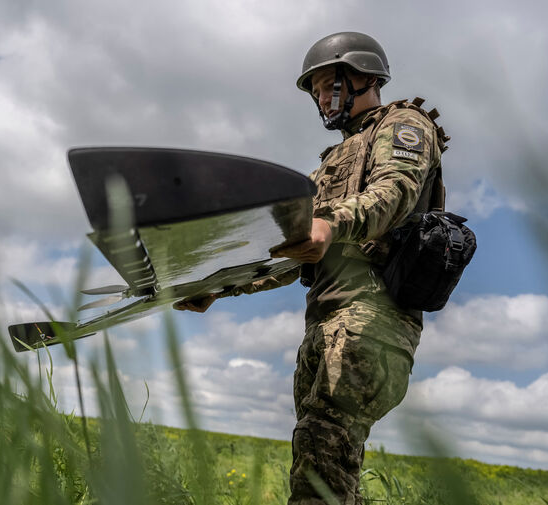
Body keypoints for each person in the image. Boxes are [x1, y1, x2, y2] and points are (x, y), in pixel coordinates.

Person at [175, 31, 449, 505]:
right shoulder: (330, 165)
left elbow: (394, 194)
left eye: (328, 84)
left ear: (363, 76)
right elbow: (290, 252)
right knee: (327, 465)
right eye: (316, 91)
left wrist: (327, 223)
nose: (322, 98)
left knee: (320, 464)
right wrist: (222, 287)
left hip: (373, 321)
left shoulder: (406, 125)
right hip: (324, 322)